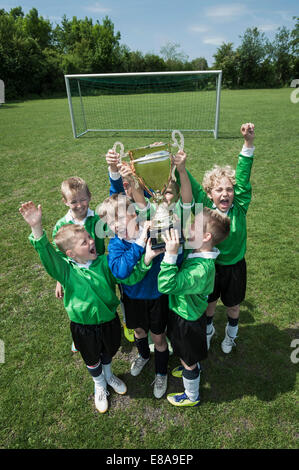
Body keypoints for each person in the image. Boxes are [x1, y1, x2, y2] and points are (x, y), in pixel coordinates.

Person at [19, 201, 159, 414]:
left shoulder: (104, 263)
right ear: (71, 254)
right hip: (83, 327)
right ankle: (100, 384)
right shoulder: (65, 271)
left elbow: (129, 278)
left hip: (109, 321)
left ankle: (109, 374)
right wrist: (36, 227)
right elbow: (47, 255)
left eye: (89, 237)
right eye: (84, 242)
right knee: (92, 358)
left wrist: (146, 261)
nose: (92, 241)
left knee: (108, 352)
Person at [98, 148, 193, 399]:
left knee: (159, 338)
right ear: (109, 226)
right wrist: (141, 247)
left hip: (157, 294)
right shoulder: (118, 244)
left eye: (129, 215)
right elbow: (120, 270)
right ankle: (142, 355)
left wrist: (167, 246)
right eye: (117, 220)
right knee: (139, 332)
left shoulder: (151, 226)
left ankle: (161, 373)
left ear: (136, 215)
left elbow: (173, 252)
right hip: (132, 297)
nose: (124, 221)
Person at [180, 123, 255, 353]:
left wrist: (248, 143)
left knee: (233, 307)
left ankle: (231, 335)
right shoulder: (204, 208)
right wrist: (180, 167)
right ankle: (209, 330)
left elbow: (242, 175)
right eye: (219, 190)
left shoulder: (240, 207)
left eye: (229, 189)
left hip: (235, 267)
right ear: (210, 193)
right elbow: (190, 185)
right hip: (210, 266)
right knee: (209, 305)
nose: (225, 193)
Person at [158, 208, 230, 407]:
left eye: (193, 226)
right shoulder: (198, 250)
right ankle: (191, 364)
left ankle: (192, 395)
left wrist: (170, 256)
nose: (188, 228)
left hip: (187, 320)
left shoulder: (200, 270)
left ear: (206, 236)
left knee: (187, 357)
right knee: (186, 351)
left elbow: (166, 285)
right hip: (185, 314)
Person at [52, 176, 107, 352]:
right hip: (73, 274)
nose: (80, 204)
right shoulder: (61, 225)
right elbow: (59, 256)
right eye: (73, 201)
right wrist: (60, 280)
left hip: (98, 268)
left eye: (83, 199)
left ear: (90, 196)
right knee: (78, 302)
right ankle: (80, 335)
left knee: (102, 295)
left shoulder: (97, 219)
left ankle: (107, 323)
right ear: (65, 202)